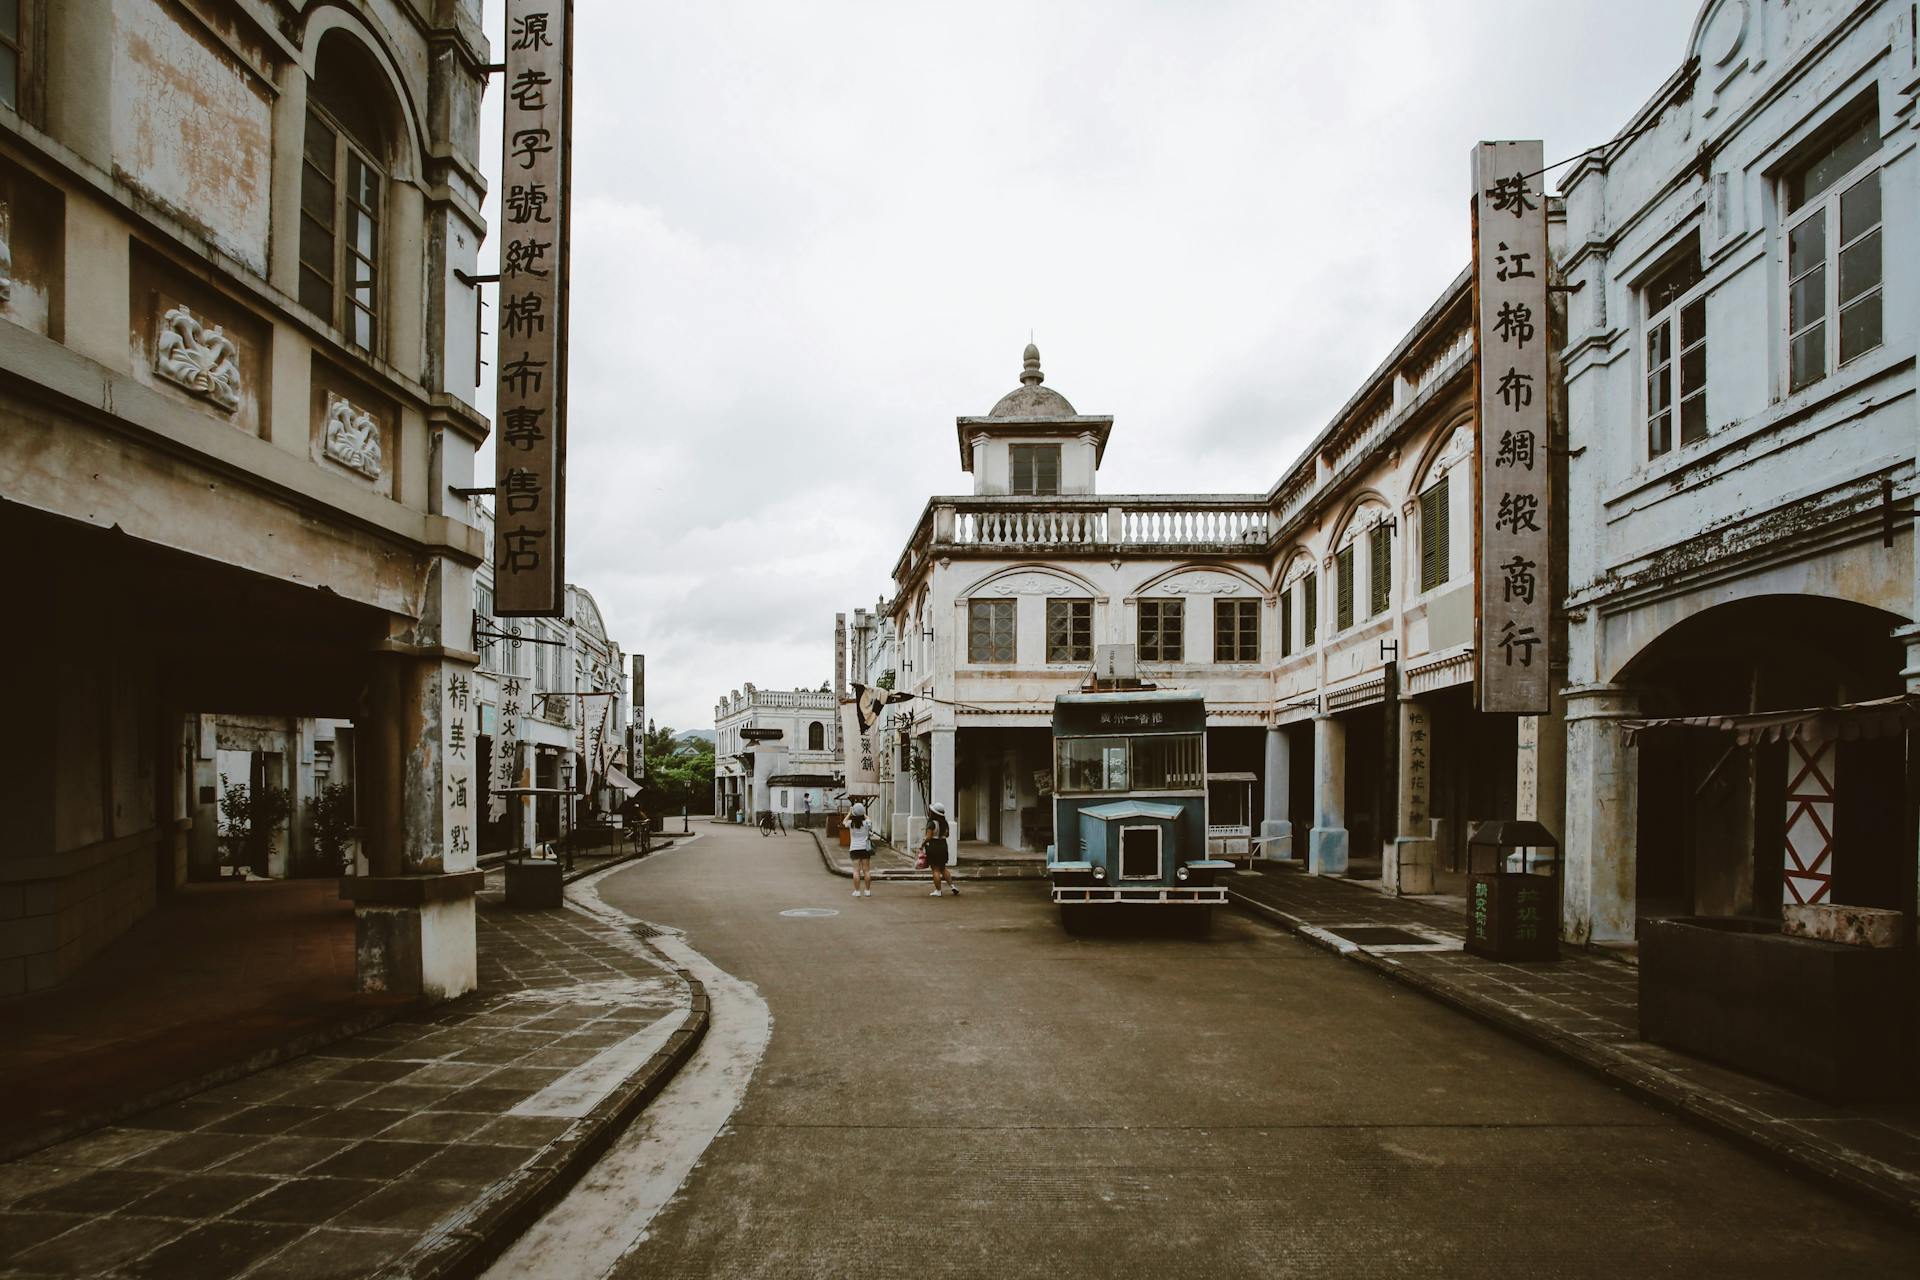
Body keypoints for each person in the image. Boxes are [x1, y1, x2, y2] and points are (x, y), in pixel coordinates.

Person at [921, 801, 956, 897]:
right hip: (943, 845)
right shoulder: (945, 823)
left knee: (935, 869)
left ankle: (938, 891)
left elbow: (928, 837)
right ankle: (952, 886)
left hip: (934, 846)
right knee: (943, 867)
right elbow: (947, 835)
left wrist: (922, 845)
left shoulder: (931, 824)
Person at [847, 802, 874, 897]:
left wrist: (850, 813)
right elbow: (869, 819)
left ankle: (857, 891)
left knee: (856, 871)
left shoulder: (851, 824)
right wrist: (863, 814)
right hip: (865, 848)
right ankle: (867, 891)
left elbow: (843, 822)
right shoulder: (866, 823)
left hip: (854, 849)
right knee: (866, 870)